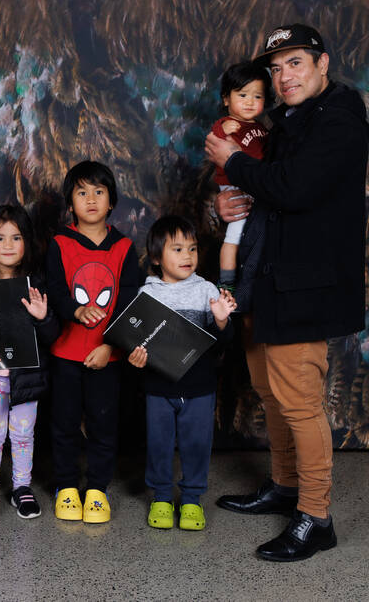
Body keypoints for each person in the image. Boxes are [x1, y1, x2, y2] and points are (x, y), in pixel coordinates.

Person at [204, 23, 369, 562]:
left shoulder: (341, 118)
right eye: (275, 69)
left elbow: (297, 188)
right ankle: (285, 486)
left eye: (294, 62)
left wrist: (233, 162)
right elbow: (260, 193)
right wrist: (224, 204)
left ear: (323, 63)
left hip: (304, 285)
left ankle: (316, 517)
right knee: (269, 390)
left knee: (300, 402)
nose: (282, 77)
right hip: (263, 277)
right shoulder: (284, 122)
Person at [46, 160, 141, 524]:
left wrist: (111, 346)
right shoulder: (60, 243)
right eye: (81, 192)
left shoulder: (124, 248)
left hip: (107, 355)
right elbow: (54, 289)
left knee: (103, 424)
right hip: (66, 354)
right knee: (65, 423)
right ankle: (67, 487)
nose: (90, 200)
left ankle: (97, 489)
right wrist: (74, 310)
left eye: (98, 192)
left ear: (111, 201)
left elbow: (130, 301)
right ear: (71, 203)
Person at [127, 215, 235, 531]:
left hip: (200, 388)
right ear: (157, 257)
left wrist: (221, 321)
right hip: (159, 389)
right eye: (177, 249)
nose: (187, 256)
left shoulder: (207, 291)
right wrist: (136, 358)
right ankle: (161, 497)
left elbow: (224, 344)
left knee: (196, 444)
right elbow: (137, 344)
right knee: (159, 443)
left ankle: (191, 501)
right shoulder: (146, 295)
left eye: (192, 248)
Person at [0, 204, 59, 522]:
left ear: (27, 242)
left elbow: (52, 335)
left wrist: (43, 318)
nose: (7, 245)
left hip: (25, 380)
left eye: (16, 238)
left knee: (22, 434)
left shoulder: (37, 285)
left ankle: (21, 488)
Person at [210, 62, 270, 293]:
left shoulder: (263, 129)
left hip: (257, 188)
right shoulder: (225, 125)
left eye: (257, 96)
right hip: (234, 187)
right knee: (235, 234)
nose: (249, 102)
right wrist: (223, 131)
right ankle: (226, 281)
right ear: (226, 99)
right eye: (242, 95)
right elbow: (215, 143)